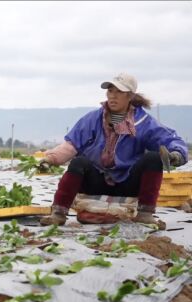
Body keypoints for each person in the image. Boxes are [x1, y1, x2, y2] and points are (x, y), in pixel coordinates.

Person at [40, 73, 188, 226]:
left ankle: (145, 214)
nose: (113, 96)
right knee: (78, 162)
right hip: (98, 180)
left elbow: (171, 140)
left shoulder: (143, 122)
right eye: (110, 91)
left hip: (127, 183)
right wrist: (51, 158)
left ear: (130, 96)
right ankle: (58, 214)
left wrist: (176, 154)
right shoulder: (93, 119)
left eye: (119, 92)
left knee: (153, 159)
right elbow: (71, 145)